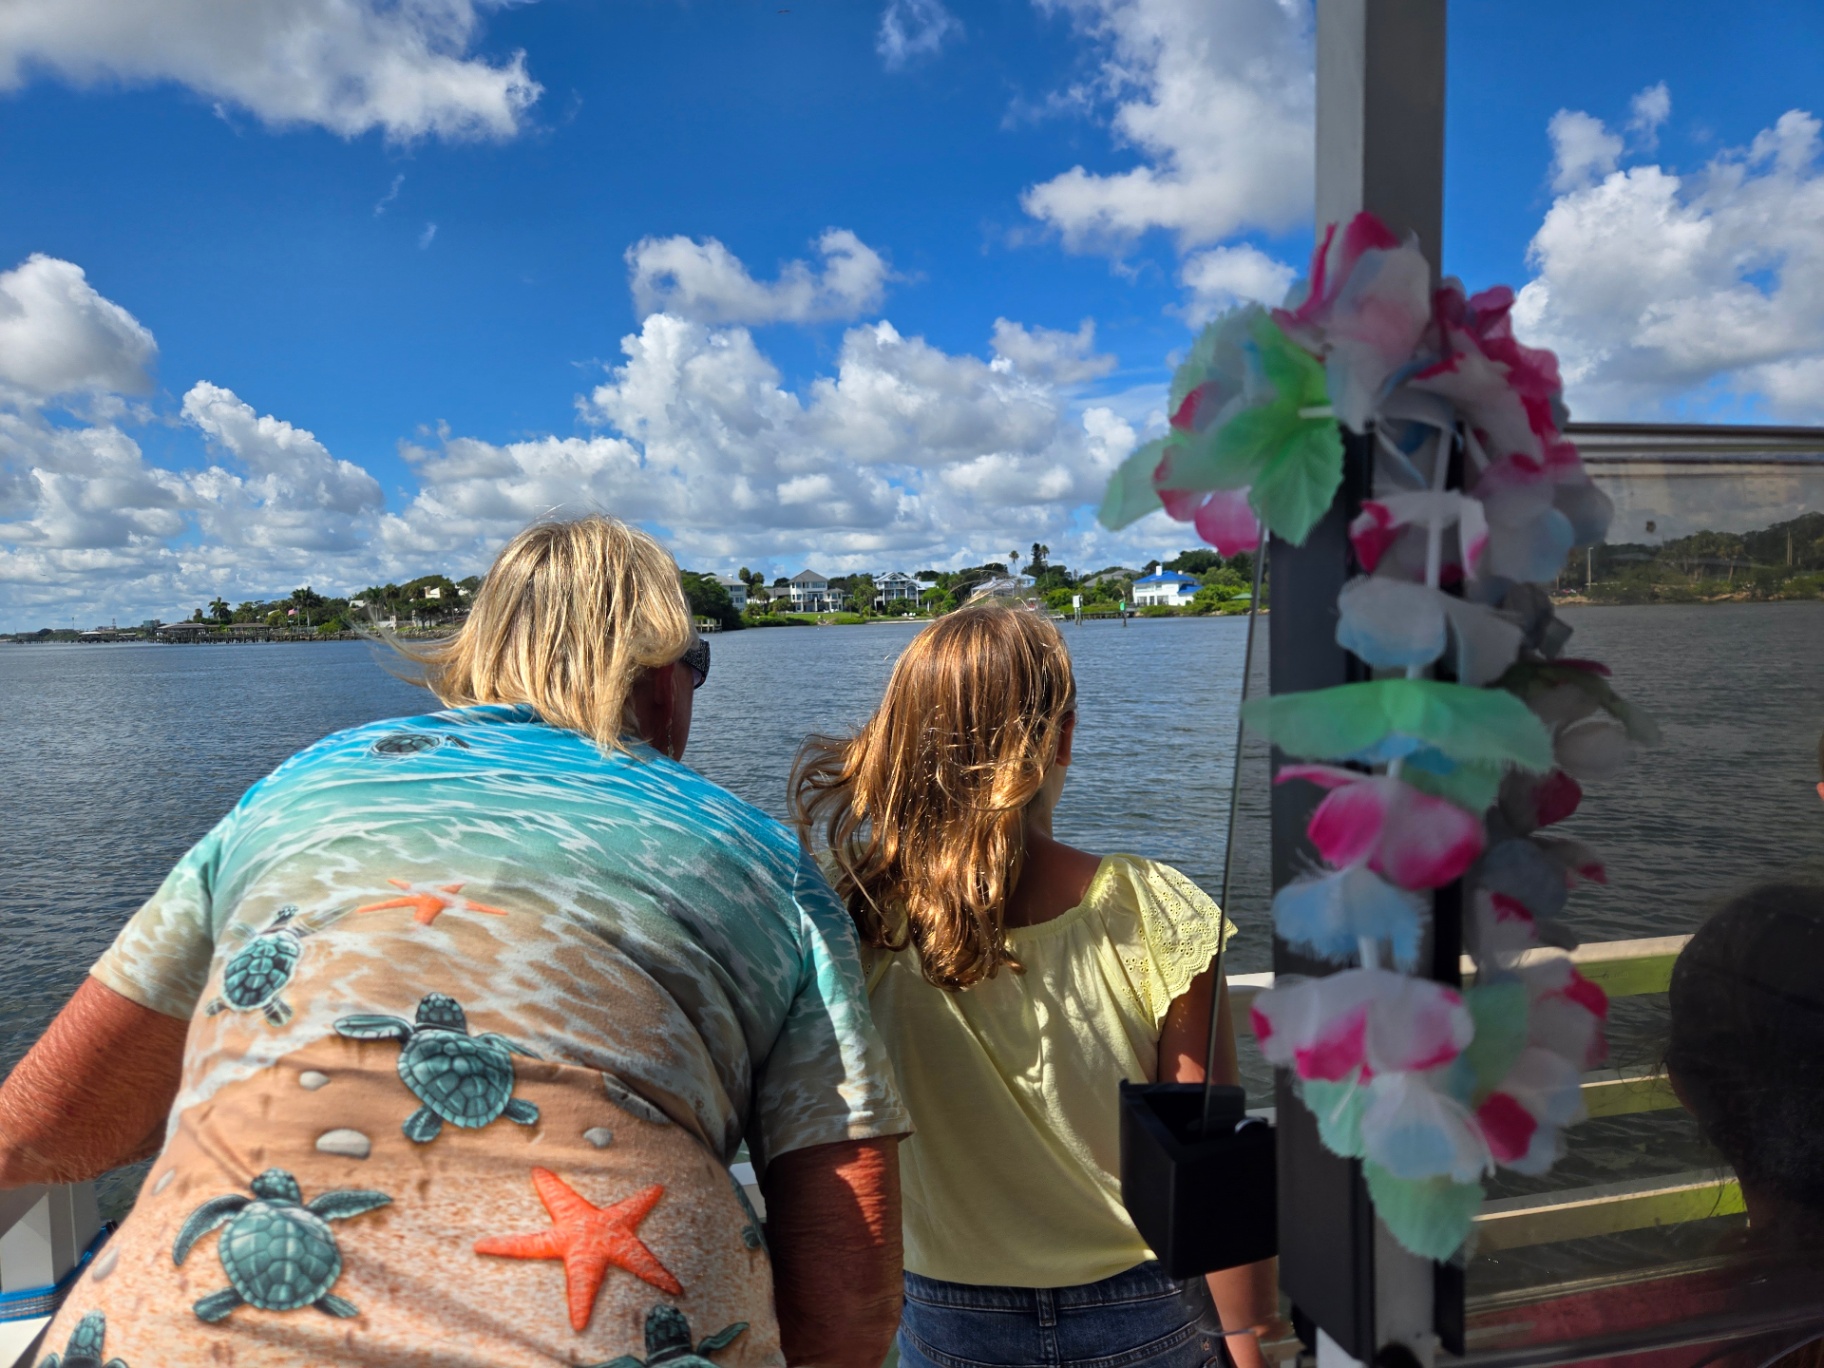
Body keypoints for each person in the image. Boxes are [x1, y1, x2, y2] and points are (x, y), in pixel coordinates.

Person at [0, 516, 909, 1368]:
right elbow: (847, 1258)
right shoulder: (759, 858)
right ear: (665, 677)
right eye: (697, 666)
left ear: (472, 659)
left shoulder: (292, 795)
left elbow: (49, 1131)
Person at [791, 602, 1278, 1368]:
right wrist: (1247, 1351)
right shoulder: (1153, 909)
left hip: (947, 1318)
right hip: (1144, 1308)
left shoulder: (852, 916)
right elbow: (1208, 1169)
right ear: (1063, 738)